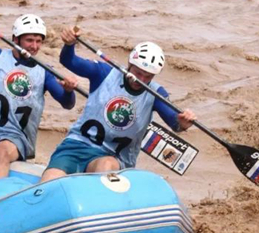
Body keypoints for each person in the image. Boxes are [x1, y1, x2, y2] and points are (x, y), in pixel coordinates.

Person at [41, 27, 197, 182]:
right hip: (77, 145)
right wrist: (69, 45)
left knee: (105, 166)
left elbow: (175, 122)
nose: (140, 80)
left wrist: (183, 122)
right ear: (129, 64)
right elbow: (69, 61)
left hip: (114, 158)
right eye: (138, 73)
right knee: (50, 180)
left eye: (147, 76)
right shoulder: (104, 72)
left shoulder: (156, 93)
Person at [0, 3, 78, 181]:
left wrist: (68, 91)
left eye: (38, 41)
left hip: (14, 136)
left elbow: (67, 103)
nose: (34, 46)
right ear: (15, 39)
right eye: (29, 40)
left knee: (1, 151)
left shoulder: (45, 72)